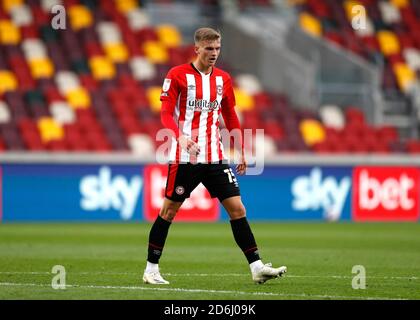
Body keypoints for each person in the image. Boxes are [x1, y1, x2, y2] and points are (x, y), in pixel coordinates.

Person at [143, 27, 287, 285]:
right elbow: (165, 113)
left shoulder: (223, 79)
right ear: (197, 48)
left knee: (237, 208)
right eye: (209, 49)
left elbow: (230, 115)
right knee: (168, 211)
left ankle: (256, 266)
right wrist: (181, 136)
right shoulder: (177, 75)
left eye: (217, 49)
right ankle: (151, 269)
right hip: (185, 157)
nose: (214, 53)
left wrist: (240, 149)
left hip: (215, 156)